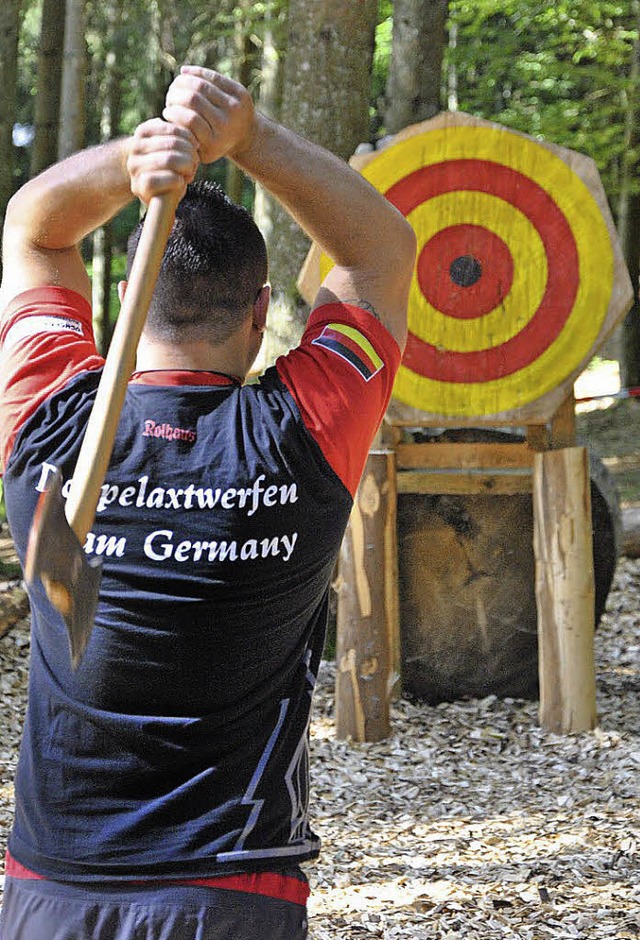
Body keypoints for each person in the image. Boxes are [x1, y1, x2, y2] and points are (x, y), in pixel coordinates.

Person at [0, 66, 416, 940]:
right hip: (230, 890)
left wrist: (136, 160)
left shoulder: (44, 423)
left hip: (53, 887)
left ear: (123, 299)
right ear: (261, 312)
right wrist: (249, 138)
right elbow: (380, 250)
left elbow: (36, 231)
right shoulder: (304, 436)